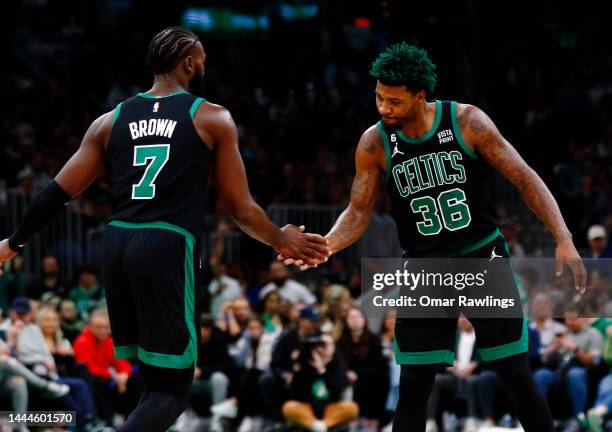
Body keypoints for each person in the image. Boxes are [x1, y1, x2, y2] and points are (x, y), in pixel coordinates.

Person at [0, 26, 329, 431]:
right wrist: (281, 237)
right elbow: (239, 207)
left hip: (117, 243)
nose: (205, 66)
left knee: (153, 381)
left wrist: (13, 243)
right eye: (203, 59)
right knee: (173, 391)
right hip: (166, 245)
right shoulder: (211, 116)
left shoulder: (110, 119)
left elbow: (57, 191)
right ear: (188, 62)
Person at [279, 42, 587, 432]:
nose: (383, 108)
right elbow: (358, 212)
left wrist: (563, 237)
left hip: (481, 258)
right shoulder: (374, 142)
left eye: (393, 100)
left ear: (420, 96)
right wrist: (327, 244)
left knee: (514, 372)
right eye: (378, 97)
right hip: (424, 267)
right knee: (413, 383)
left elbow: (524, 177)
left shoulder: (467, 122)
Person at [282, 333, 359, 432]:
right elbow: (294, 392)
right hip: (308, 410)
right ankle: (316, 425)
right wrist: (298, 365)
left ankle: (321, 426)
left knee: (352, 408)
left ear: (334, 347)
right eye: (322, 344)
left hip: (330, 410)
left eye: (328, 344)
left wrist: (322, 370)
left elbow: (337, 391)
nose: (324, 347)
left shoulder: (338, 366)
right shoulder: (306, 365)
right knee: (289, 407)